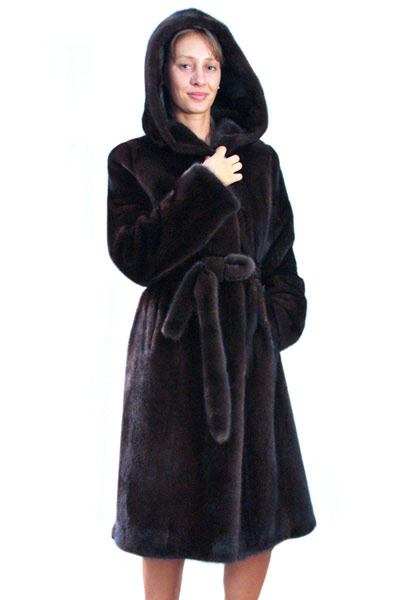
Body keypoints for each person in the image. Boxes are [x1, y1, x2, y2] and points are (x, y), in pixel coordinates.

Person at [107, 8, 317, 600]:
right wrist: (201, 185)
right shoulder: (131, 159)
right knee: (162, 516)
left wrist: (269, 324)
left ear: (226, 74)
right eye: (185, 65)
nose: (199, 79)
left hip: (248, 354)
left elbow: (282, 262)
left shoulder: (262, 161)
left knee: (257, 513)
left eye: (210, 66)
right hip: (170, 353)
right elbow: (133, 257)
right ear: (163, 72)